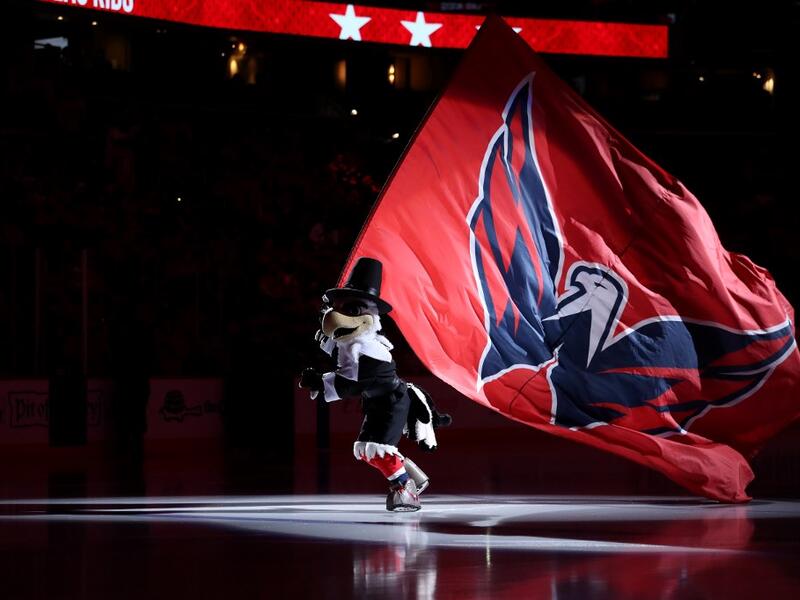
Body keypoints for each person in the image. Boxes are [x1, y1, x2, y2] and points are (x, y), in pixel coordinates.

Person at [299, 257, 450, 512]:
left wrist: (320, 383)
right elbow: (343, 355)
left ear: (369, 315)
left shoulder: (369, 352)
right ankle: (413, 478)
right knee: (369, 451)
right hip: (379, 402)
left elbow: (350, 383)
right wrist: (326, 344)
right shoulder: (357, 344)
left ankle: (405, 489)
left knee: (378, 450)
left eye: (353, 310)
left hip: (391, 403)